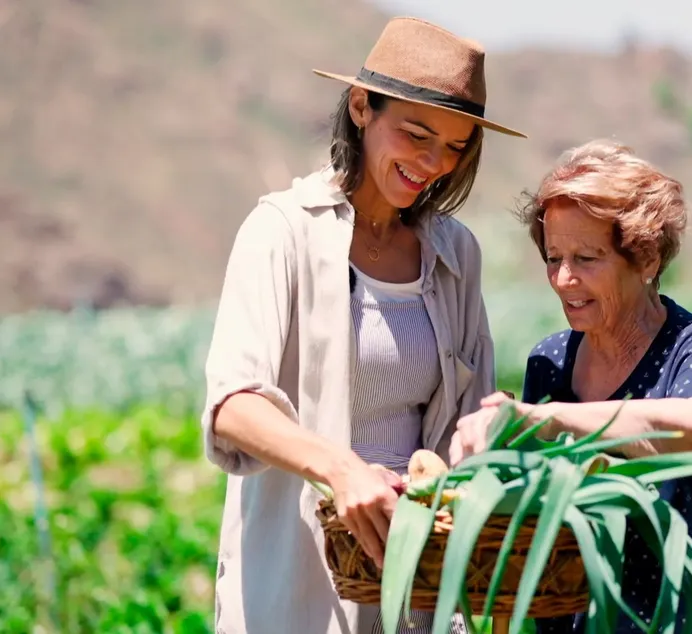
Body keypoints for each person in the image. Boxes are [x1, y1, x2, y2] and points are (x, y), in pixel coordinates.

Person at [199, 16, 526, 634]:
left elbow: (463, 423)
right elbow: (233, 407)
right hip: (300, 577)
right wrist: (342, 469)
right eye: (417, 135)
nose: (434, 163)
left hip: (418, 578)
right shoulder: (283, 231)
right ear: (360, 106)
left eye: (456, 147)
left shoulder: (455, 255)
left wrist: (495, 425)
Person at [450, 140, 692, 633]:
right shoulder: (550, 363)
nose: (563, 279)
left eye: (587, 258)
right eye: (553, 258)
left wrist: (543, 420)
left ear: (646, 260)